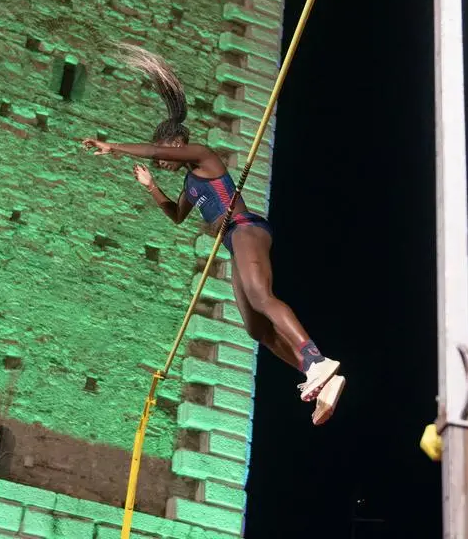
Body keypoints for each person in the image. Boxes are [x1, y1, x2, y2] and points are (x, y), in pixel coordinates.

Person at [81, 45, 344, 425]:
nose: (162, 164)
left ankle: (317, 359)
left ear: (176, 144)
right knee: (256, 328)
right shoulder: (191, 185)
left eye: (162, 160)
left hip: (246, 229)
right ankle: (313, 374)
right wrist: (151, 186)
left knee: (260, 296)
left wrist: (114, 146)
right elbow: (175, 216)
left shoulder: (203, 157)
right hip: (232, 244)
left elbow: (157, 148)